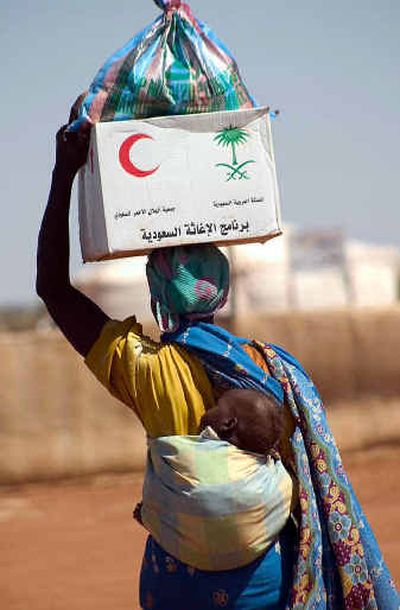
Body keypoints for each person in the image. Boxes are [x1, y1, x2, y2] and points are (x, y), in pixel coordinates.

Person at [37, 101, 398, 610]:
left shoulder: (148, 370)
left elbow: (52, 288)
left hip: (179, 582)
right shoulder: (273, 369)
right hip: (268, 579)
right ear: (223, 289)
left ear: (157, 291)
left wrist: (64, 173)